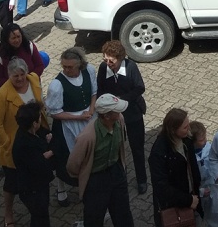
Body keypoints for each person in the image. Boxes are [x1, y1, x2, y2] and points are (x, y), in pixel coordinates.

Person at [0, 57, 47, 227]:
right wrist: (9, 146)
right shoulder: (2, 95)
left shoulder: (34, 79)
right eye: (15, 76)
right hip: (15, 146)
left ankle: (36, 205)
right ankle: (8, 213)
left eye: (22, 74)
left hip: (35, 138)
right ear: (9, 76)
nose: (20, 78)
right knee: (12, 183)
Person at [66, 94, 136, 227]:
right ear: (107, 116)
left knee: (123, 215)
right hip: (96, 179)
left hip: (116, 172)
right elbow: (72, 165)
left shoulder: (119, 120)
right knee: (94, 218)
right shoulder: (87, 137)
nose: (120, 112)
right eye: (116, 110)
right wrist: (84, 177)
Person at [46, 47, 98, 207]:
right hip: (67, 125)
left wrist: (91, 110)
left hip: (89, 119)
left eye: (70, 67)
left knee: (91, 155)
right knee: (66, 157)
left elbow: (94, 93)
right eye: (64, 66)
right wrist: (78, 117)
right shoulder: (57, 84)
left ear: (79, 65)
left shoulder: (89, 70)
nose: (66, 70)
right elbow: (54, 112)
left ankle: (88, 187)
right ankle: (61, 187)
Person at [96, 40, 148, 194]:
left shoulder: (131, 67)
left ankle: (142, 179)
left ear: (120, 58)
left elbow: (140, 87)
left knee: (137, 148)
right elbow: (100, 89)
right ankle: (119, 179)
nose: (108, 63)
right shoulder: (103, 68)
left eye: (111, 61)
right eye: (105, 60)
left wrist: (121, 100)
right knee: (116, 148)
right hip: (113, 116)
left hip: (132, 113)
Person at [149, 108, 201, 227]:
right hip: (173, 206)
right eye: (185, 127)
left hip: (191, 199)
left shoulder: (186, 140)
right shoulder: (159, 152)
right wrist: (188, 200)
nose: (189, 129)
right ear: (173, 130)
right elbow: (161, 187)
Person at [11, 101, 55, 227]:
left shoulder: (29, 131)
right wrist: (51, 151)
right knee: (40, 218)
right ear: (34, 123)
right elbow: (41, 164)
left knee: (40, 216)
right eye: (39, 117)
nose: (41, 119)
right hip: (32, 190)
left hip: (37, 185)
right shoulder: (24, 145)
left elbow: (44, 133)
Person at [0, 22, 46, 87]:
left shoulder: (29, 46)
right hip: (12, 90)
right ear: (7, 39)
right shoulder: (0, 56)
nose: (17, 40)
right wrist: (15, 82)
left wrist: (29, 79)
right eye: (13, 38)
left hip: (33, 86)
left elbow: (39, 65)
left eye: (18, 37)